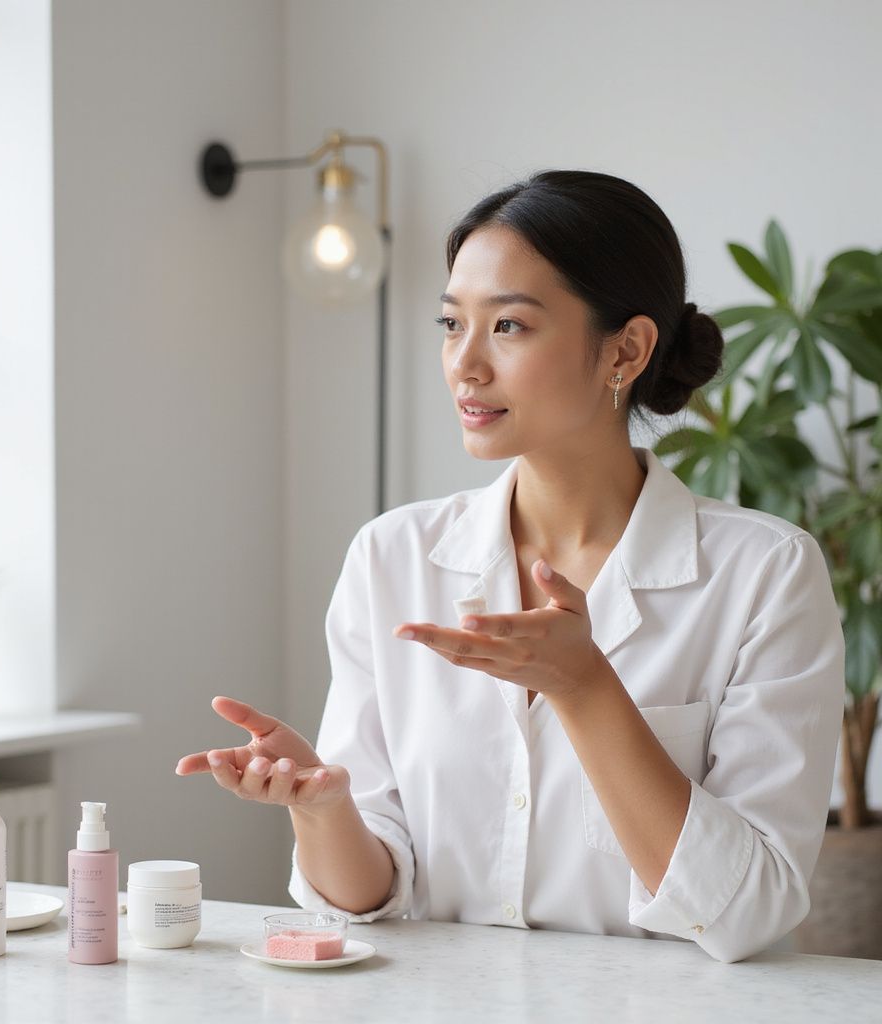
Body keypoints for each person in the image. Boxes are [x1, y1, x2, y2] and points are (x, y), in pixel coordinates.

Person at [176, 170, 844, 964]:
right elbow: (369, 897)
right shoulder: (394, 558)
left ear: (625, 350)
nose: (465, 364)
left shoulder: (765, 575)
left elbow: (752, 911)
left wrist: (586, 688)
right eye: (452, 324)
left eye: (511, 327)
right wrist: (322, 809)